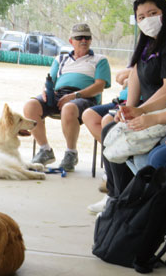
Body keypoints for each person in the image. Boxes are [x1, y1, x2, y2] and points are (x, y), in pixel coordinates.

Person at [100, 0, 166, 202]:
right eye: (141, 17)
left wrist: (154, 118)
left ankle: (157, 208)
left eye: (152, 13)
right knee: (113, 130)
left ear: (164, 13)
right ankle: (121, 198)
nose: (146, 20)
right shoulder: (148, 44)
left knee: (156, 158)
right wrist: (136, 110)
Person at [24, 23, 111, 172]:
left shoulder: (100, 59)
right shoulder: (61, 59)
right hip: (58, 95)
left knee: (69, 107)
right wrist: (46, 90)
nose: (83, 40)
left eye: (87, 37)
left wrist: (75, 95)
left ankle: (71, 153)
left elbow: (99, 86)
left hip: (84, 97)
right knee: (30, 106)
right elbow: (50, 80)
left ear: (91, 40)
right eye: (79, 38)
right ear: (71, 41)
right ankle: (45, 150)